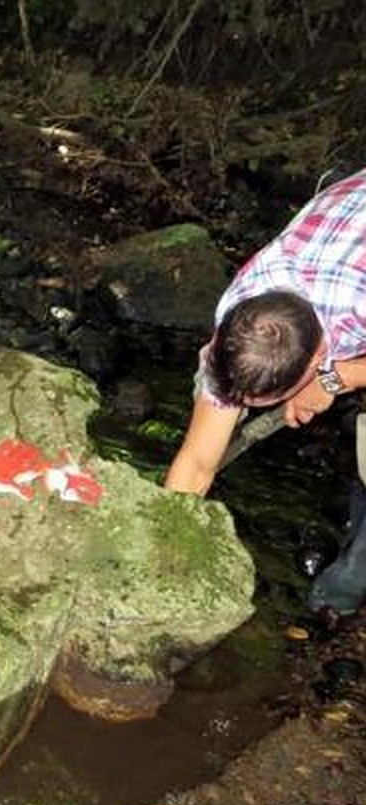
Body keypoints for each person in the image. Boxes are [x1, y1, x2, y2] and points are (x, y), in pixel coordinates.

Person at [164, 166, 366, 612]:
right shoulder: (245, 308)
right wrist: (163, 543)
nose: (238, 407)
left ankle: (347, 586)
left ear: (315, 358)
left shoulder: (358, 307)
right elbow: (197, 462)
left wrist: (339, 378)